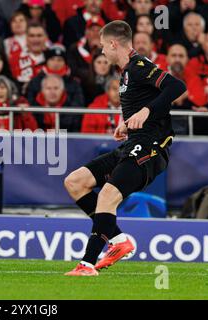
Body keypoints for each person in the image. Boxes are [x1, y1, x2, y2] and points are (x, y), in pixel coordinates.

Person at [64, 21, 186, 276]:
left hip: (151, 147)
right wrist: (126, 122)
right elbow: (144, 98)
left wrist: (146, 111)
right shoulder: (126, 73)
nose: (102, 53)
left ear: (113, 44)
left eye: (102, 47)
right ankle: (119, 242)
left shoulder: (140, 66)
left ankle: (86, 264)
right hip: (133, 143)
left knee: (108, 194)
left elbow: (177, 87)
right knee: (75, 182)